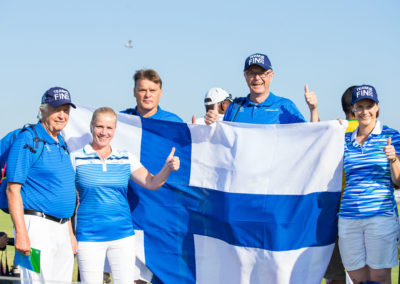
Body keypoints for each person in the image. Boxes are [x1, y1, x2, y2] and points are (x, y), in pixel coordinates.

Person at [70, 107, 180, 283]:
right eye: (99, 127)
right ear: (91, 126)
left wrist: (167, 168)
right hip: (88, 237)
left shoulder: (125, 158)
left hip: (122, 236)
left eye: (109, 128)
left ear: (114, 130)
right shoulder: (75, 158)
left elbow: (152, 183)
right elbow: (68, 201)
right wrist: (70, 234)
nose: (104, 132)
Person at [6, 87, 77, 283]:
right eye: (56, 109)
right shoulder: (28, 139)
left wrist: (69, 233)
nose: (62, 115)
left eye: (66, 110)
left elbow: (63, 190)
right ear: (43, 110)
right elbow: (13, 190)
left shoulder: (61, 143)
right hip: (35, 227)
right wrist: (21, 233)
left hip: (62, 228)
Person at [338, 85, 400, 284]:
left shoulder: (392, 135)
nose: (365, 111)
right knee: (356, 277)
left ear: (377, 108)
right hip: (349, 218)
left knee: (379, 277)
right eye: (360, 106)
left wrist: (394, 160)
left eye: (369, 106)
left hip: (380, 217)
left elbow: (398, 181)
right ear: (354, 110)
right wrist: (318, 114)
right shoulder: (344, 138)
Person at [204, 53, 319, 125]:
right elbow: (222, 144)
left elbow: (310, 137)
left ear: (271, 76)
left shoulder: (285, 106)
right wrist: (212, 125)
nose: (257, 78)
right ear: (245, 76)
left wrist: (313, 110)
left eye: (262, 73)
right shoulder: (234, 107)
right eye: (251, 73)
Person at [324, 86, 358, 284]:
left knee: (335, 275)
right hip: (358, 212)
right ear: (355, 108)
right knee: (366, 272)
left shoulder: (334, 131)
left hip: (331, 212)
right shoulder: (374, 133)